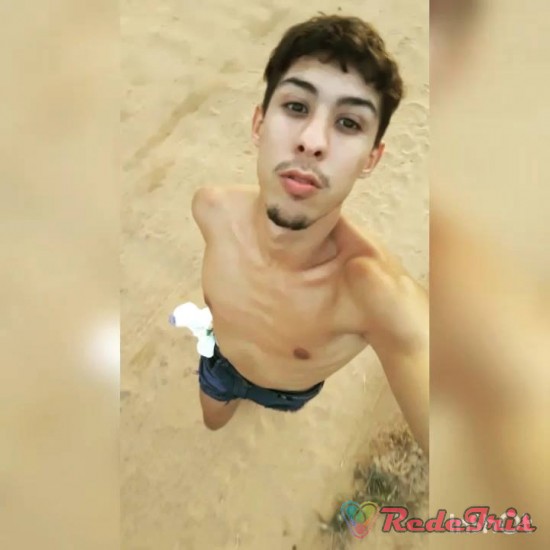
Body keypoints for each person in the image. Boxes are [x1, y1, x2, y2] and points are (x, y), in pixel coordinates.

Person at [191, 14, 428, 453]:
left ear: (371, 159)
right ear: (259, 124)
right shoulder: (210, 210)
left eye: (349, 123)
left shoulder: (372, 294)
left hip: (287, 391)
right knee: (212, 421)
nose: (313, 141)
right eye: (297, 107)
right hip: (218, 360)